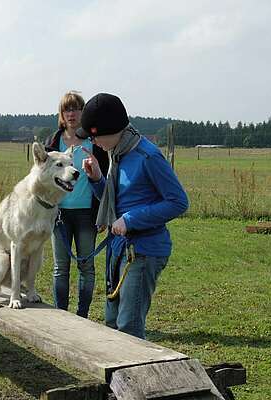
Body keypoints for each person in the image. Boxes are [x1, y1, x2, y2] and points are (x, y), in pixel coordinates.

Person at [78, 93, 188, 339]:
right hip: (119, 249)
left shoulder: (147, 156)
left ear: (111, 129)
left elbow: (178, 202)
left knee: (128, 325)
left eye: (95, 135)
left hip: (143, 251)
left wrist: (131, 219)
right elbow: (119, 201)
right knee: (112, 321)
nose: (93, 141)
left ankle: (133, 377)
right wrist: (97, 179)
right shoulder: (118, 154)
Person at [44, 91, 109, 318]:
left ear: (83, 112)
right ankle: (62, 317)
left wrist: (103, 213)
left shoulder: (96, 144)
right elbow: (43, 180)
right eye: (67, 109)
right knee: (60, 269)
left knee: (86, 267)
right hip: (59, 214)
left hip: (87, 215)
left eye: (76, 109)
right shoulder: (53, 143)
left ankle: (82, 317)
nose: (71, 114)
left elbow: (104, 182)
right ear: (61, 114)